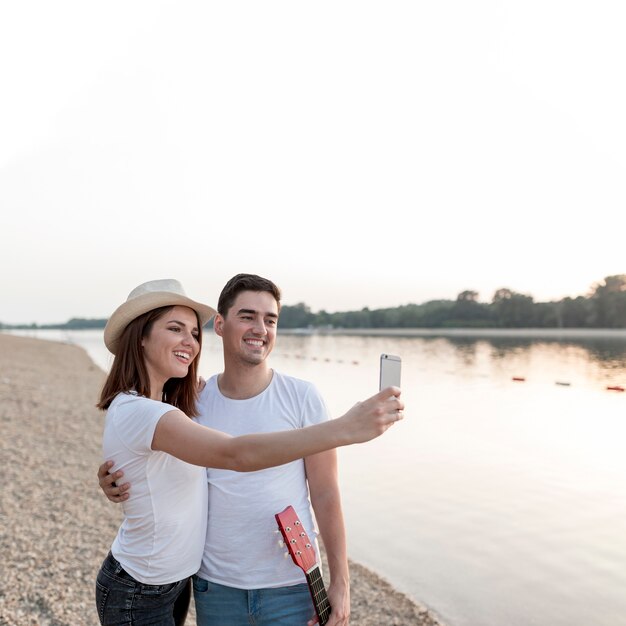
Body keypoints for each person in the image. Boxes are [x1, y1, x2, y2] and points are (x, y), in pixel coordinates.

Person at [95, 278, 403, 626]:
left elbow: (326, 491)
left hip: (289, 583)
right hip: (215, 586)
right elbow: (227, 453)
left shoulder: (300, 396)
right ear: (221, 326)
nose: (260, 329)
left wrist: (341, 581)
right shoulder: (193, 401)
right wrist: (347, 427)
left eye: (270, 320)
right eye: (248, 316)